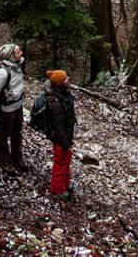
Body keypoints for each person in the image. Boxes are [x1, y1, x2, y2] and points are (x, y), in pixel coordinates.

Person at [0, 42, 26, 171]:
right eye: (18, 52)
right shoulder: (3, 72)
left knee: (17, 133)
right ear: (11, 56)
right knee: (4, 136)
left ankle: (17, 157)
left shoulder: (17, 66)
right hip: (7, 109)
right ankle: (5, 160)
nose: (21, 53)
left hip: (18, 106)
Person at [43, 68, 77, 198]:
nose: (68, 79)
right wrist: (65, 143)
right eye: (66, 79)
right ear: (61, 83)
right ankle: (57, 188)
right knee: (60, 163)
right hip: (60, 139)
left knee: (66, 161)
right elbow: (58, 126)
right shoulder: (56, 103)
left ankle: (65, 184)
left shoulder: (63, 94)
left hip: (66, 137)